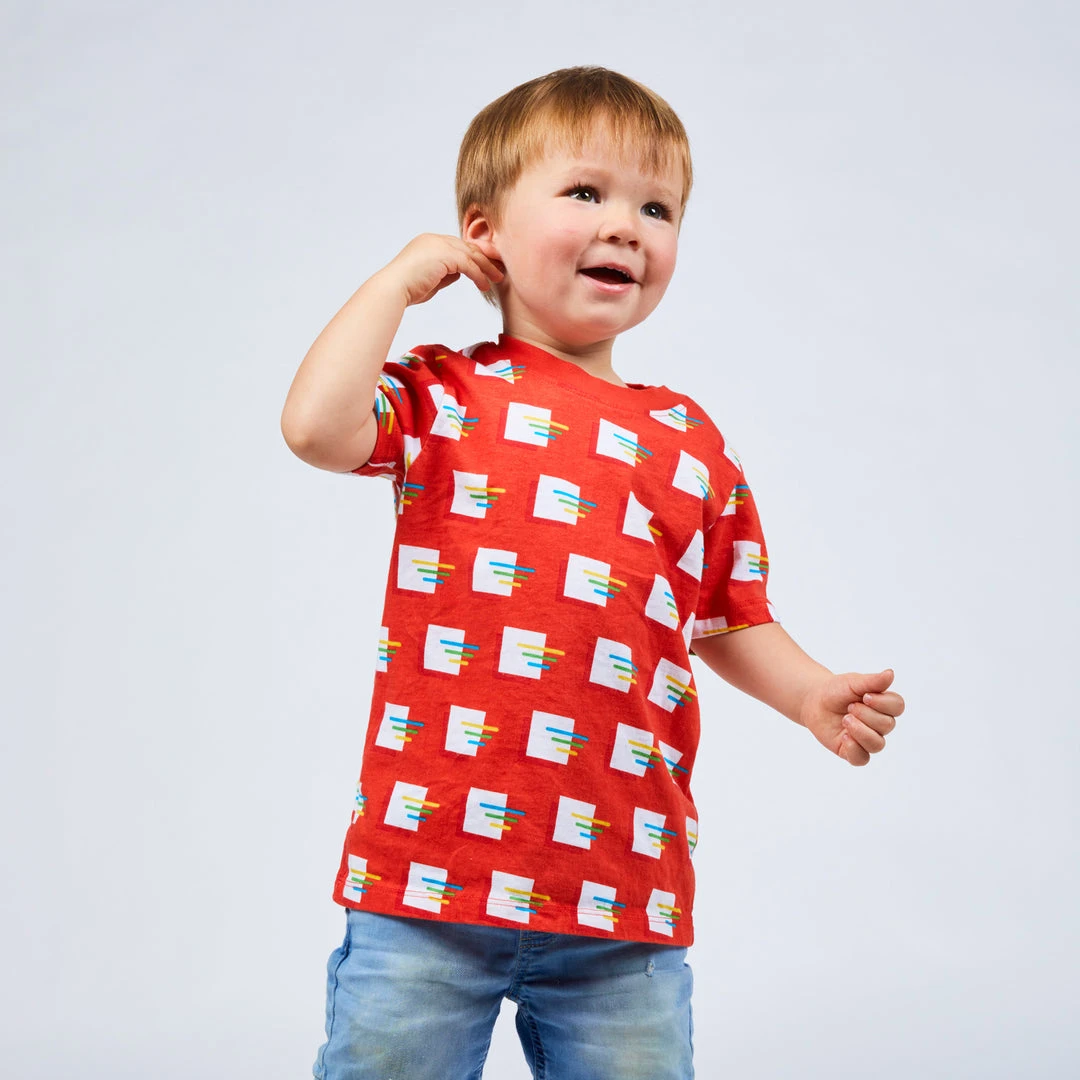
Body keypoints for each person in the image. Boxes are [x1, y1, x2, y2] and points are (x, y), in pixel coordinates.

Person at [281, 65, 904, 1080]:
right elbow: (315, 429)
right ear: (483, 233)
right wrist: (394, 285)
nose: (627, 227)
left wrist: (809, 694)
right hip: (427, 878)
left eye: (658, 209)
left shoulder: (689, 442)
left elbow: (729, 615)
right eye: (586, 192)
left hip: (621, 892)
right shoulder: (443, 396)